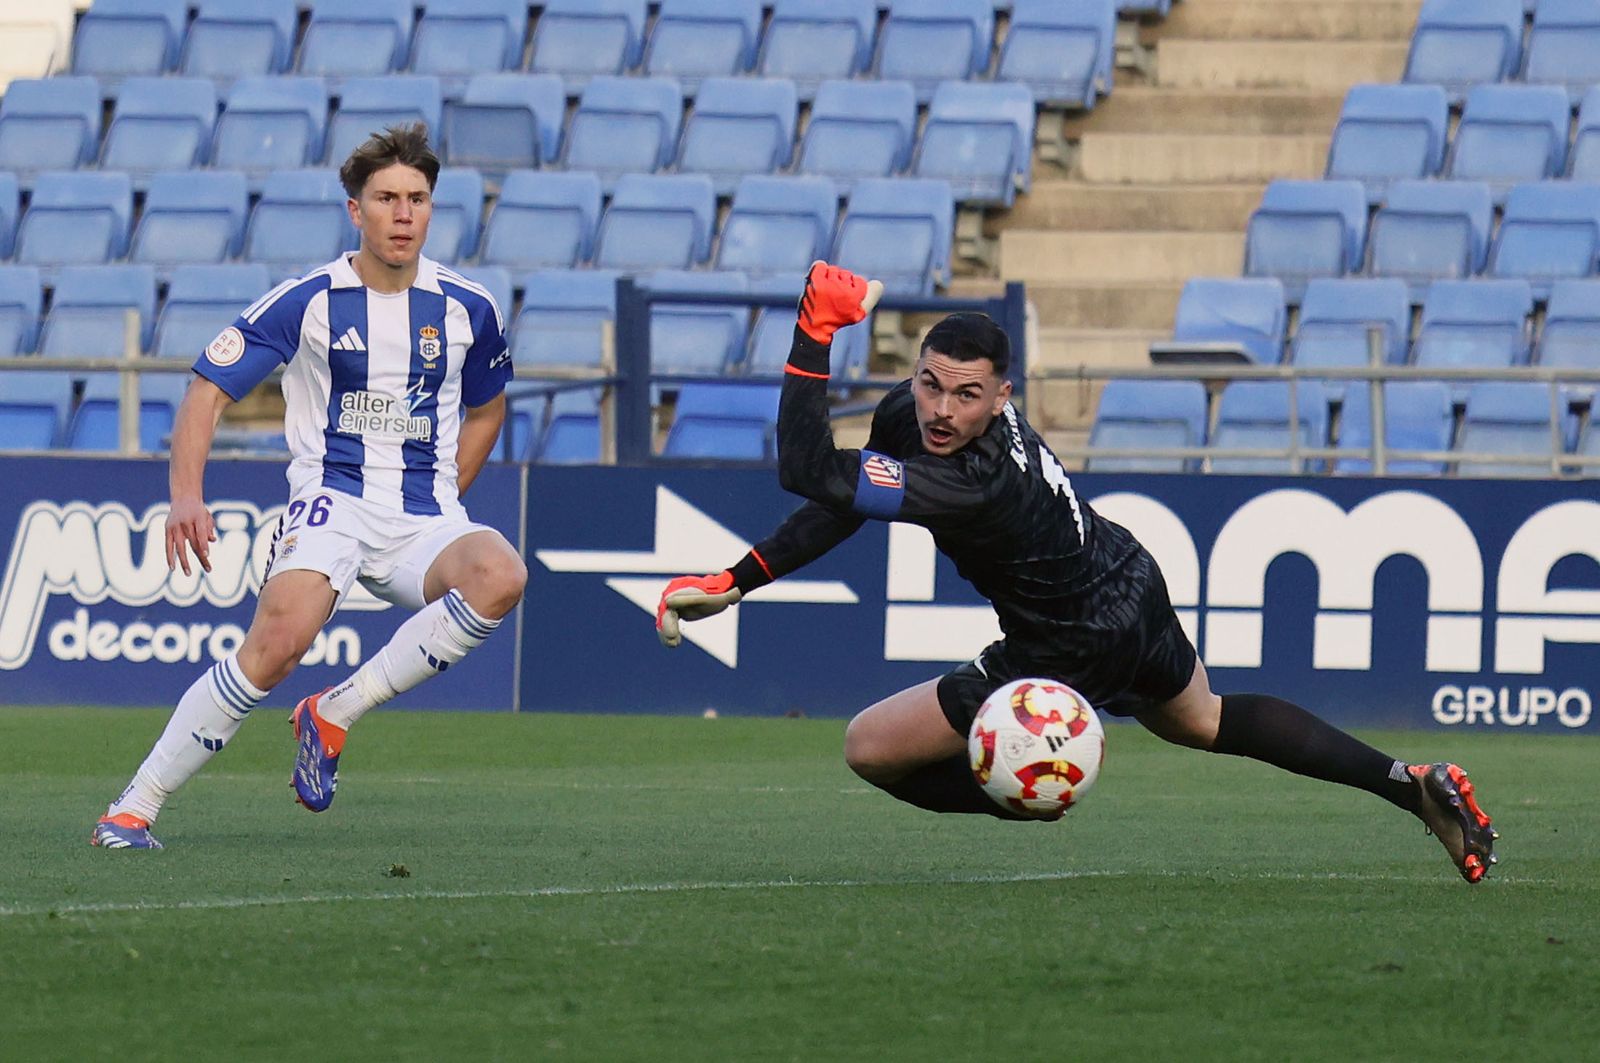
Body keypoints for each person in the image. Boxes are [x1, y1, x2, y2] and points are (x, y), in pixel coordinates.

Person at [657, 262, 1498, 884]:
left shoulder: (975, 481)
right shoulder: (921, 423)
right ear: (916, 374)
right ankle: (1408, 785)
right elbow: (845, 500)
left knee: (870, 749)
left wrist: (814, 329)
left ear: (1004, 395)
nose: (943, 410)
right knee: (1204, 720)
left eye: (968, 395)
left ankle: (1031, 783)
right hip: (1126, 570)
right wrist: (743, 575)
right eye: (931, 385)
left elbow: (811, 471)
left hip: (1068, 636)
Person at [91, 125, 526, 850]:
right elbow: (206, 390)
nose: (403, 213)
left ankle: (333, 712)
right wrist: (186, 494)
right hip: (334, 501)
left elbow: (488, 405)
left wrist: (448, 490)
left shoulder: (468, 308)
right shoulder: (311, 299)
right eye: (386, 198)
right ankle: (134, 805)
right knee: (280, 642)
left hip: (424, 515)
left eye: (417, 198)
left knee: (502, 573)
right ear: (356, 210)